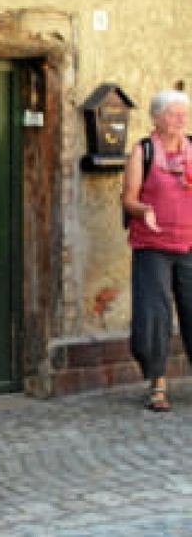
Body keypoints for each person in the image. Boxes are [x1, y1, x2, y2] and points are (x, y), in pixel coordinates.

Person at [121, 88, 192, 412]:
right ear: (157, 118)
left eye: (183, 114)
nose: (180, 120)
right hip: (153, 247)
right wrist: (143, 211)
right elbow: (129, 198)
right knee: (155, 315)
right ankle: (157, 384)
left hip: (190, 243)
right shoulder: (143, 151)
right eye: (173, 114)